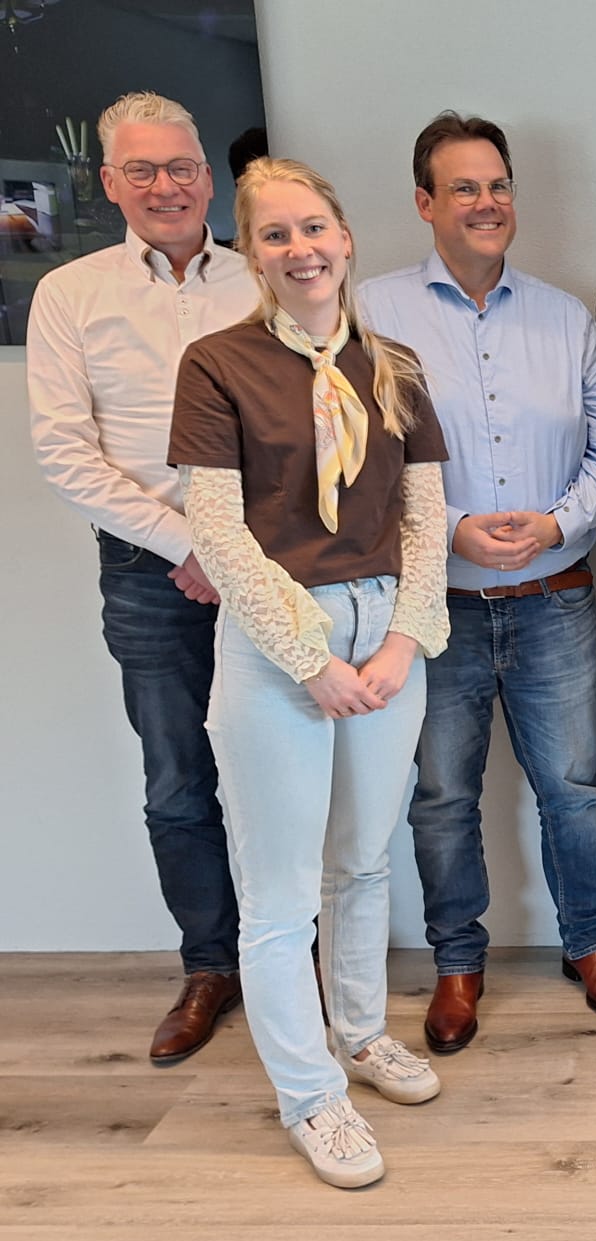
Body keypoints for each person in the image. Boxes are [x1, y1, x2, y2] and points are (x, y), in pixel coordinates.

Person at [167, 157, 451, 1188]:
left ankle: (363, 1033)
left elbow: (426, 519)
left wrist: (400, 641)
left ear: (346, 235)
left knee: (365, 863)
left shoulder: (397, 364)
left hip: (385, 635)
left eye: (316, 227)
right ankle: (310, 1093)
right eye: (278, 234)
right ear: (254, 252)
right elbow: (219, 533)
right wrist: (311, 658)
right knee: (282, 893)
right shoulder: (217, 364)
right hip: (281, 634)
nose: (303, 250)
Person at [359, 113, 596, 1051]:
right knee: (441, 793)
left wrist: (559, 521)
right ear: (425, 203)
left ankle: (588, 945)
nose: (488, 203)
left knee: (574, 787)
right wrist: (449, 530)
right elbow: (353, 460)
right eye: (465, 188)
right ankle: (456, 962)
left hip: (555, 597)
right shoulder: (373, 314)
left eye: (499, 185)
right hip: (430, 608)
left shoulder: (566, 317)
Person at [28, 91, 258, 1064]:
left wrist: (237, 551)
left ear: (208, 176)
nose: (166, 186)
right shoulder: (69, 294)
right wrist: (182, 543)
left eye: (182, 167)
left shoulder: (262, 280)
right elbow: (64, 453)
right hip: (146, 574)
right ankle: (209, 965)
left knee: (280, 770)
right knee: (178, 780)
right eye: (143, 170)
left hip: (266, 564)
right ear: (110, 183)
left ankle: (298, 956)